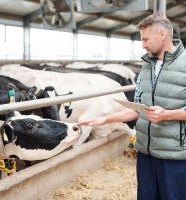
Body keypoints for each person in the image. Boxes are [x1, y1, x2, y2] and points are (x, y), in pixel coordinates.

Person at [78, 12, 186, 200]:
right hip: (145, 153)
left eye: (145, 39)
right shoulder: (146, 66)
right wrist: (106, 119)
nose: (143, 45)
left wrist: (167, 115)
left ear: (162, 34)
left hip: (174, 155)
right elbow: (137, 108)